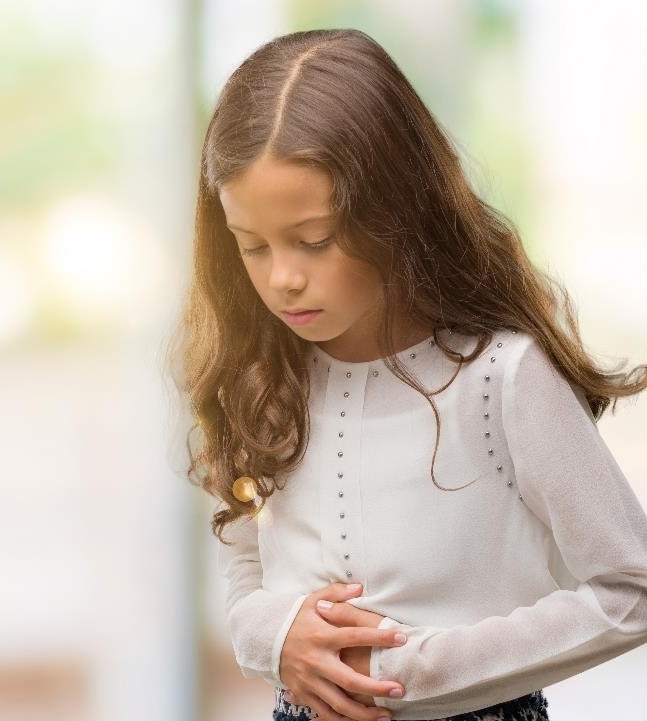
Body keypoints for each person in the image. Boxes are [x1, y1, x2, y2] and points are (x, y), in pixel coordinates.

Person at [164, 27, 647, 721]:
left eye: (312, 240)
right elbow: (246, 567)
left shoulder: (501, 378)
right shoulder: (262, 378)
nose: (283, 278)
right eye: (252, 246)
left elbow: (630, 586)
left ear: (395, 208)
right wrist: (273, 637)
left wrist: (413, 670)